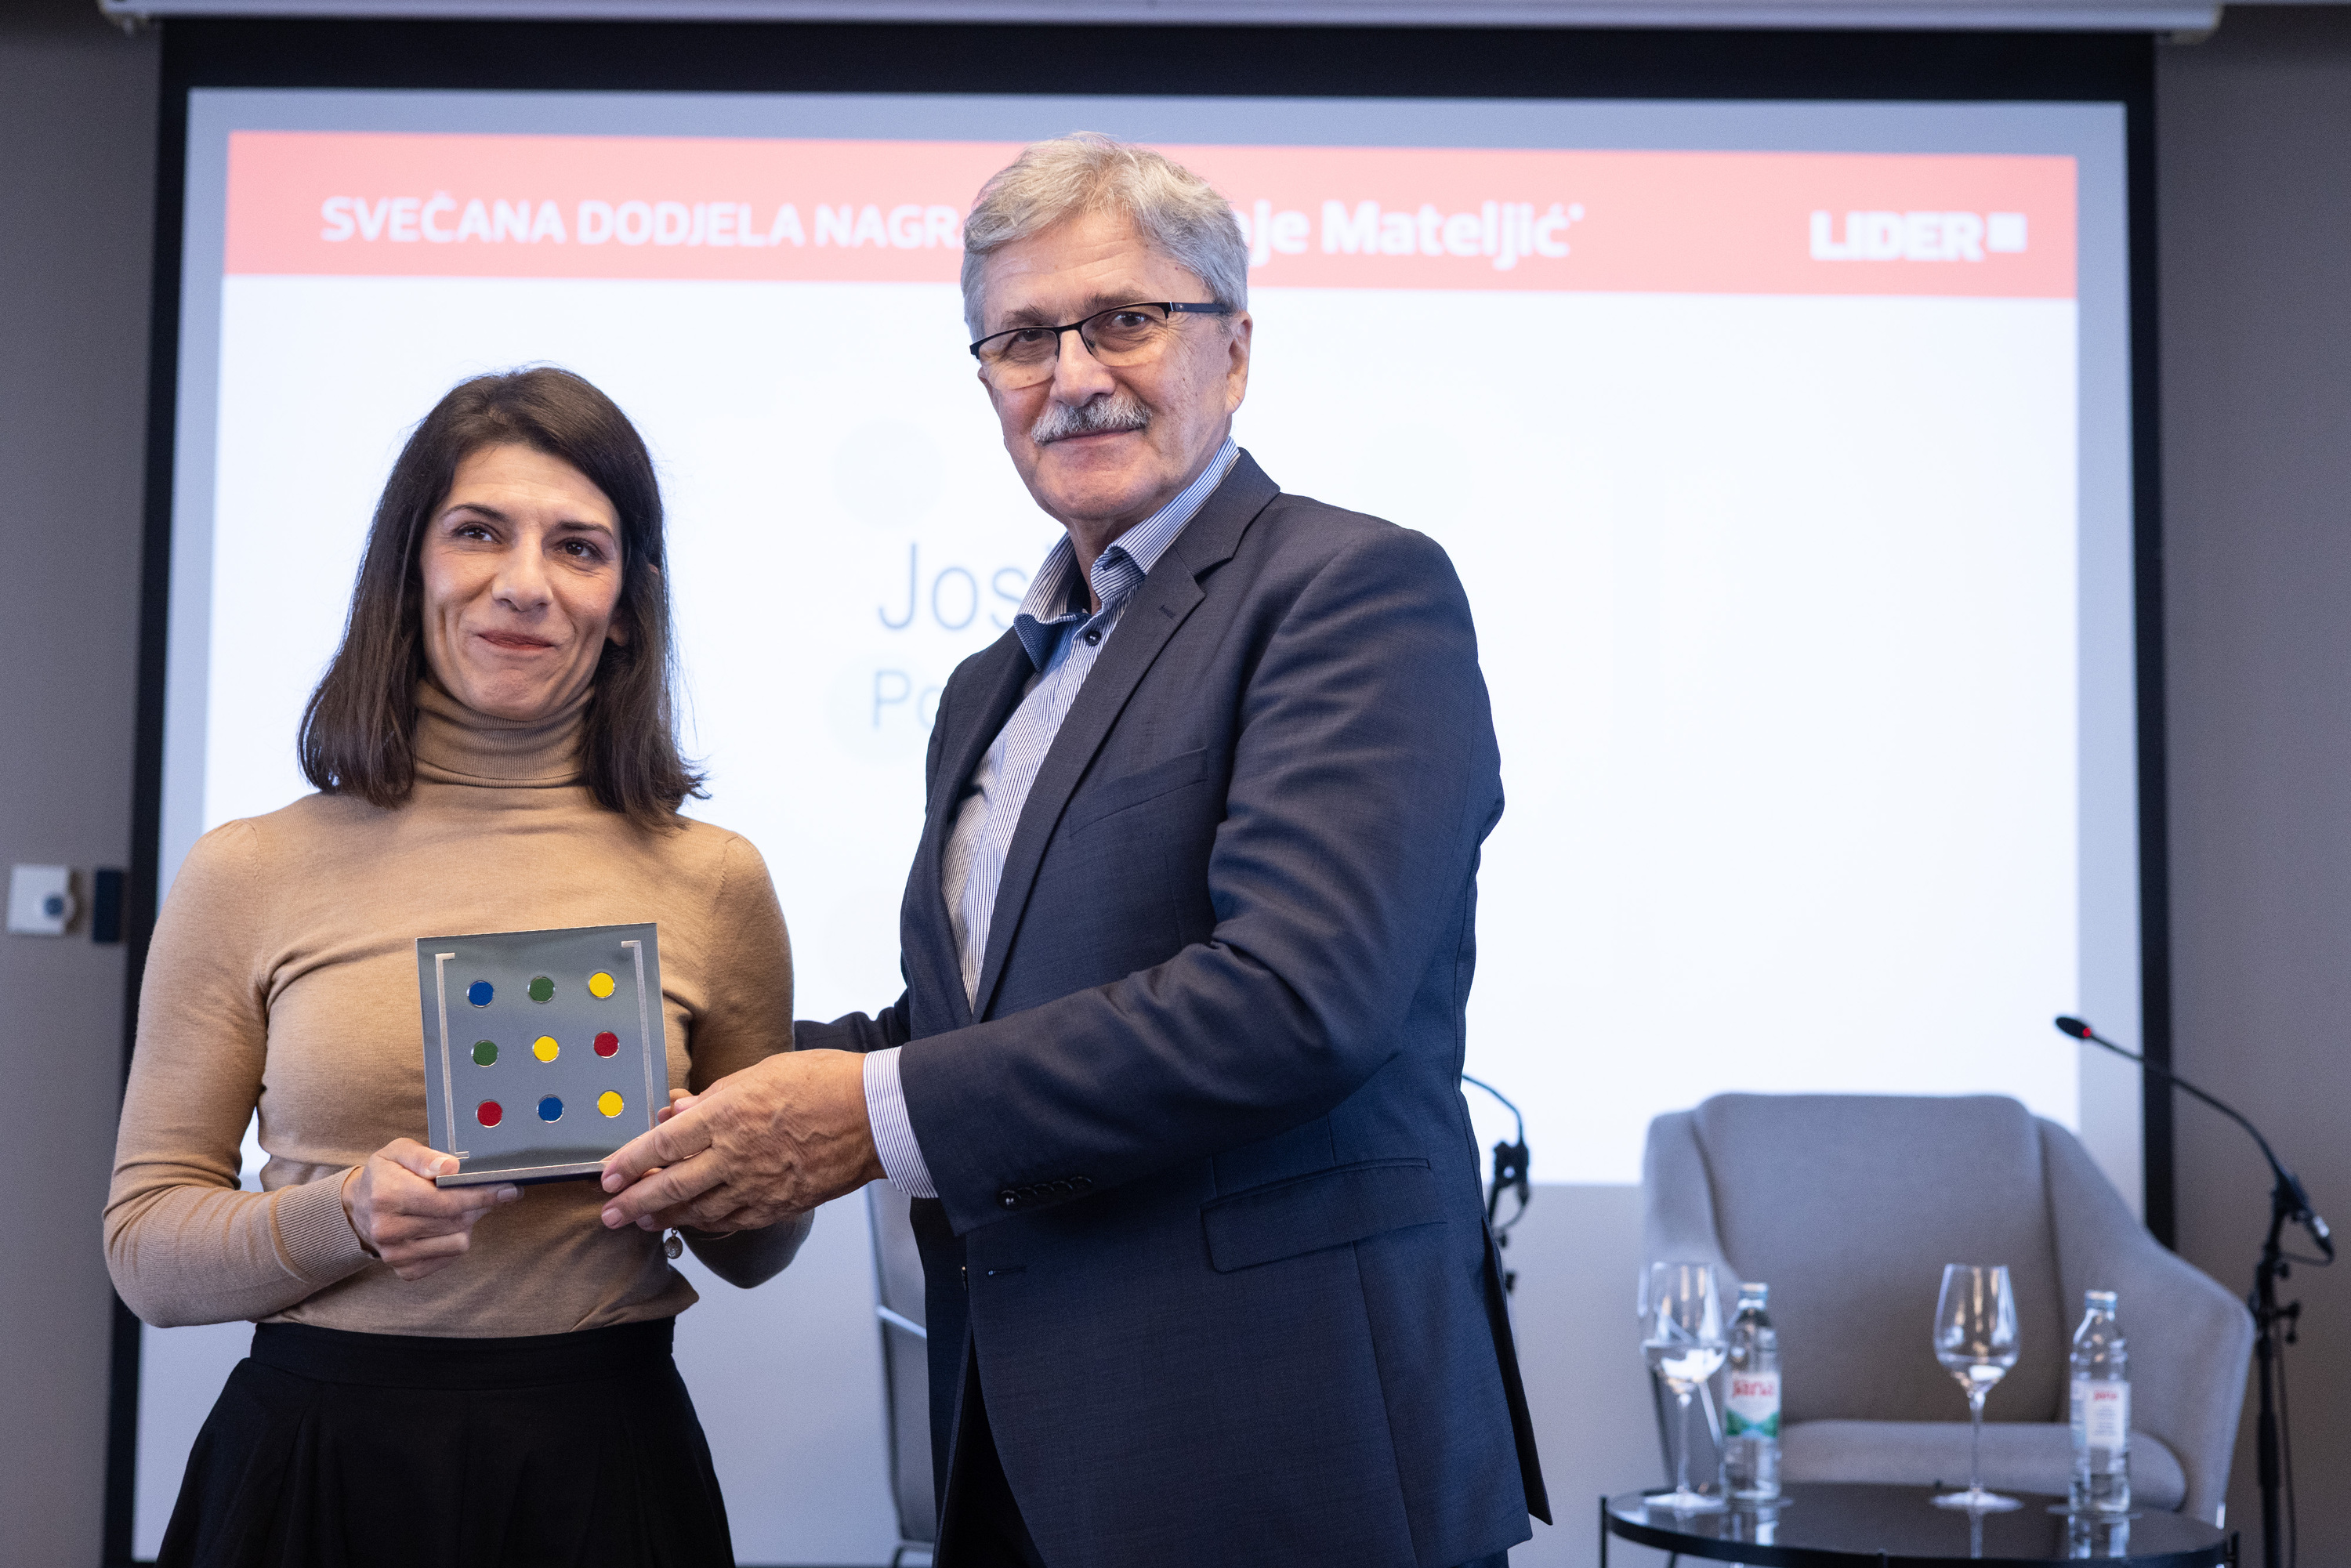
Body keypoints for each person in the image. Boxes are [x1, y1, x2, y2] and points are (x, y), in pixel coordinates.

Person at [599, 135, 1548, 1567]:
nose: (1075, 373)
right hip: (1024, 1454)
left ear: (1234, 349)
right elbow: (979, 1027)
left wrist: (869, 1111)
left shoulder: (1350, 589)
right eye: (1024, 338)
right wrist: (693, 1073)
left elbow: (1296, 1000)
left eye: (1125, 319)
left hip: (1291, 1460)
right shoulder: (990, 685)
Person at [105, 367, 809, 1568]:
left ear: (625, 606)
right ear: (410, 569)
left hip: (605, 1463)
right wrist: (345, 1216)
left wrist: (712, 1179)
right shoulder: (250, 868)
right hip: (319, 1465)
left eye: (578, 546)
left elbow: (758, 1251)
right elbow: (146, 1254)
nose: (525, 583)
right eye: (479, 531)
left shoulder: (717, 879)